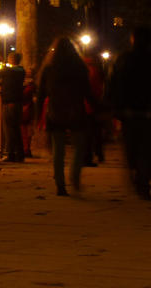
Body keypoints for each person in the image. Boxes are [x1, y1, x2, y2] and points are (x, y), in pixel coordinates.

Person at [36, 37, 95, 196]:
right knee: (79, 147)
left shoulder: (49, 68)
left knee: (58, 150)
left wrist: (38, 116)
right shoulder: (80, 67)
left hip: (55, 111)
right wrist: (97, 108)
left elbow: (41, 94)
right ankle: (74, 177)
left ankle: (60, 185)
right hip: (76, 111)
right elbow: (87, 92)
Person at [106, 27, 151, 200]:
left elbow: (113, 84)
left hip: (129, 112)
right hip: (147, 111)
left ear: (133, 39)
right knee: (146, 148)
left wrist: (113, 106)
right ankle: (142, 178)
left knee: (132, 145)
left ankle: (136, 174)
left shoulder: (123, 59)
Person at [0, 52, 27, 163]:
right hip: (16, 102)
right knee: (15, 129)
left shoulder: (11, 71)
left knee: (9, 129)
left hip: (10, 102)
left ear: (11, 59)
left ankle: (10, 154)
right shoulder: (20, 71)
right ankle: (19, 154)